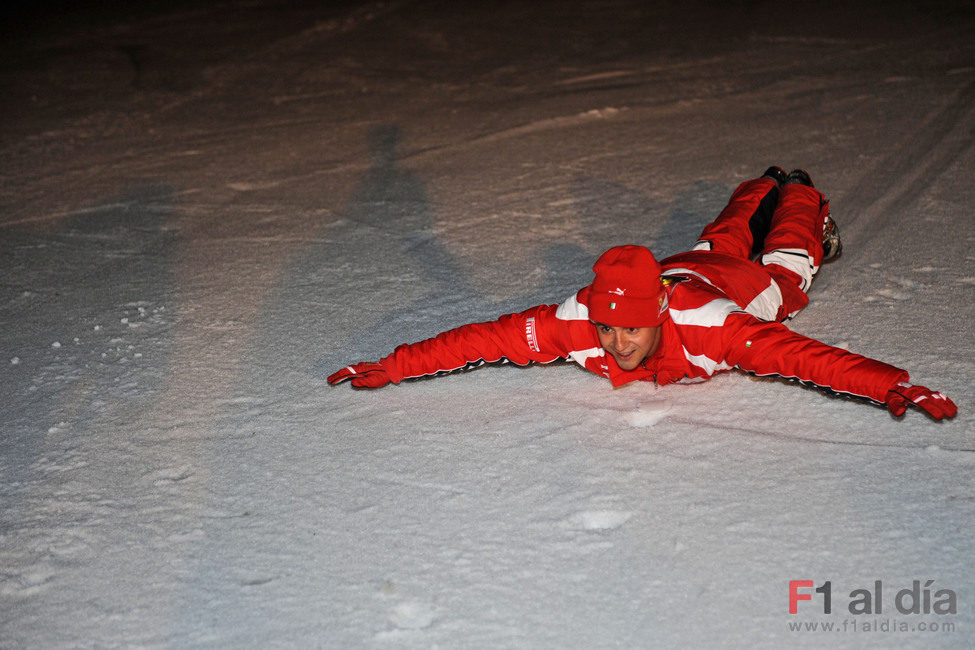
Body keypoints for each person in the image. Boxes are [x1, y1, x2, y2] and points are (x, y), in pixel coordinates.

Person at [328, 168, 957, 420]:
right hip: (684, 266)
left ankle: (795, 190)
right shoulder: (580, 321)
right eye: (608, 329)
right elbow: (481, 340)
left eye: (628, 329)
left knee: (788, 260)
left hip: (736, 287)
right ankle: (761, 182)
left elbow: (803, 358)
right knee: (717, 239)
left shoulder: (719, 327)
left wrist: (885, 382)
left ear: (657, 310)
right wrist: (395, 364)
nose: (616, 343)